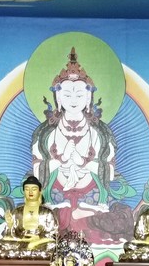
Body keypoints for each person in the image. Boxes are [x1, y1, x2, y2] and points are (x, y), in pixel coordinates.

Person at [31, 47, 133, 242]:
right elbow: (38, 171)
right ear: (58, 97)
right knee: (47, 219)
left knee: (112, 220)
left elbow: (109, 172)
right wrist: (60, 162)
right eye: (67, 95)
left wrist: (84, 164)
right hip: (56, 198)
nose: (73, 100)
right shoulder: (45, 134)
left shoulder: (101, 133)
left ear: (88, 98)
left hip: (91, 199)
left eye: (79, 95)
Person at [0, 174, 60, 256]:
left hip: (39, 242)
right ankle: (29, 249)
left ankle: (28, 248)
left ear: (40, 191)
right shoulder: (17, 211)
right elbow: (11, 235)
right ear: (24, 192)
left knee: (52, 244)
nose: (30, 192)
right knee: (0, 242)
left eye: (34, 189)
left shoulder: (47, 212)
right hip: (21, 241)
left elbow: (52, 234)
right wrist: (10, 225)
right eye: (27, 189)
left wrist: (37, 238)